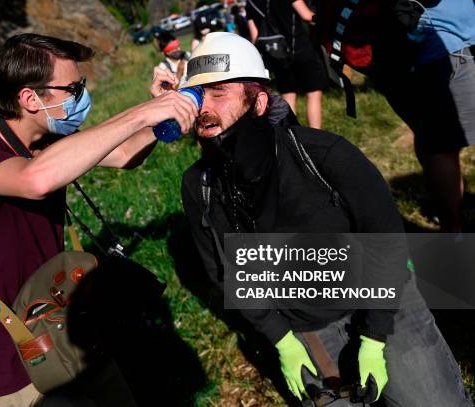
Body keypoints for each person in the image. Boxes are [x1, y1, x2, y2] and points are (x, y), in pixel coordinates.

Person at [179, 32, 472, 406]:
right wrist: (282, 339)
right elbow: (227, 272)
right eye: (197, 94)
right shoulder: (199, 185)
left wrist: (374, 338)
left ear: (258, 102)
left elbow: (386, 240)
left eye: (219, 93)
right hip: (305, 325)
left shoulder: (324, 155)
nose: (204, 107)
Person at [0, 33, 197, 406]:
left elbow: (124, 153)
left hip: (76, 329)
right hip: (21, 361)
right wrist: (141, 113)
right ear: (30, 98)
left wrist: (160, 110)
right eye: (72, 88)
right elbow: (36, 179)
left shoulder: (46, 137)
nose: (82, 96)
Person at [373, 0, 475, 232]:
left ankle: (448, 216)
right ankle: (453, 231)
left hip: (405, 47)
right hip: (436, 46)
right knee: (442, 146)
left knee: (432, 138)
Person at [246, 0, 327, 129]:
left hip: (276, 54)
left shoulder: (251, 2)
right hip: (300, 49)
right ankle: (315, 135)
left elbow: (255, 36)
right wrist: (328, 21)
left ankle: (291, 136)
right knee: (313, 93)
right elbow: (306, 15)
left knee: (288, 95)